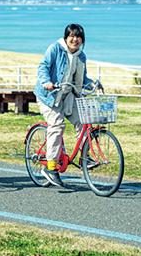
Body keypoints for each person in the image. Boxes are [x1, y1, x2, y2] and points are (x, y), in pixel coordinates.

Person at [34, 23, 96, 187]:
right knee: (57, 125)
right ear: (66, 37)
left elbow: (82, 79)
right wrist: (46, 81)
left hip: (68, 95)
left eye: (79, 37)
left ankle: (85, 156)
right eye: (72, 36)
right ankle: (51, 168)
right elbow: (43, 67)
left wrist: (92, 84)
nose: (75, 40)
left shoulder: (81, 56)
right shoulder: (55, 49)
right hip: (49, 96)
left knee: (82, 121)